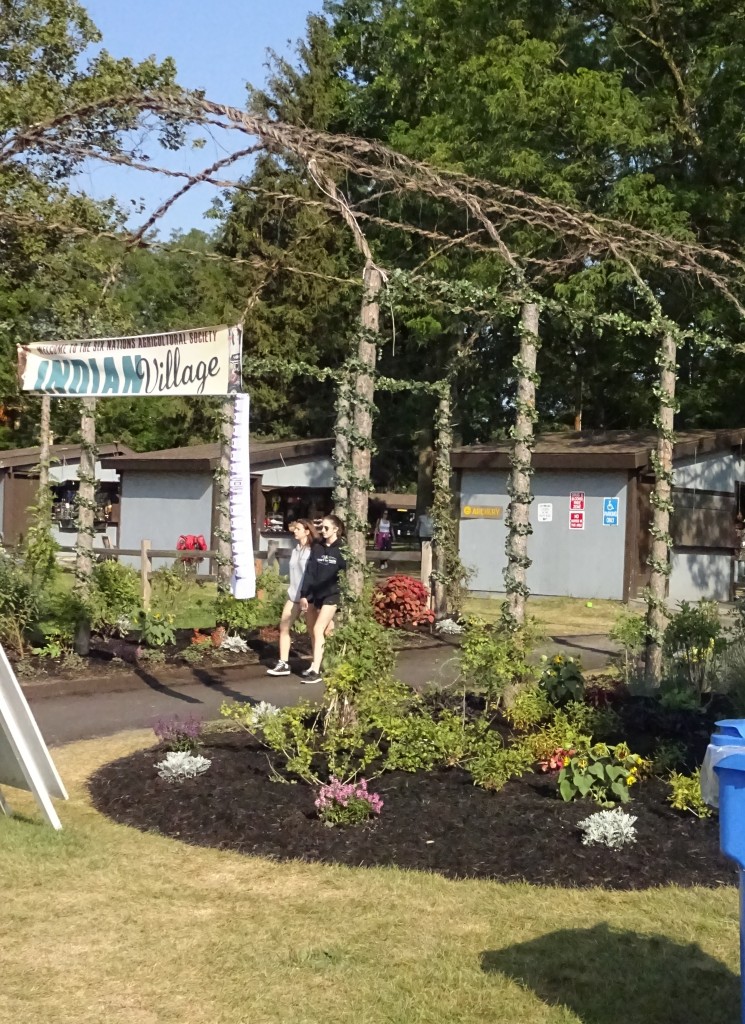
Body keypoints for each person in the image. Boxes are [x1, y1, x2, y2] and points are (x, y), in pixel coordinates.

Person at [298, 514, 347, 684]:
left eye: (327, 528)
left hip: (333, 594)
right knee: (322, 631)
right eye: (322, 528)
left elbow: (347, 573)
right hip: (316, 593)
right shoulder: (317, 547)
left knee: (319, 629)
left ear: (336, 529)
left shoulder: (342, 549)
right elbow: (310, 571)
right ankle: (330, 663)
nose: (323, 531)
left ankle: (316, 669)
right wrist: (304, 594)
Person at [266, 518, 318, 676]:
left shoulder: (312, 551)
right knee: (284, 626)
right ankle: (283, 663)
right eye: (295, 528)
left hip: (308, 597)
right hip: (293, 595)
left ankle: (317, 664)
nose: (295, 531)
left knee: (312, 630)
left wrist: (308, 596)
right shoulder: (295, 550)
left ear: (307, 531)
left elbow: (313, 575)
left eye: (298, 529)